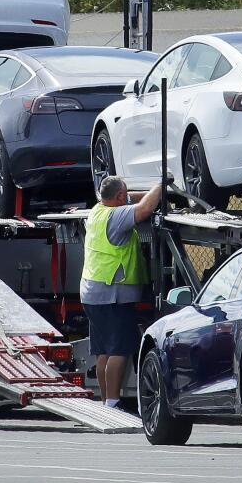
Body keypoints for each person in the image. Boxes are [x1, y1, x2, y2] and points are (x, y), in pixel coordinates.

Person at [81, 175, 162, 409]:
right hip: (113, 293)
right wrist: (161, 185)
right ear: (117, 198)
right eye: (123, 195)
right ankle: (114, 402)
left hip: (92, 291)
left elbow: (132, 199)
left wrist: (144, 193)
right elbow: (145, 208)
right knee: (120, 350)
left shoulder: (97, 210)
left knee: (103, 351)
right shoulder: (117, 217)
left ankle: (107, 401)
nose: (126, 198)